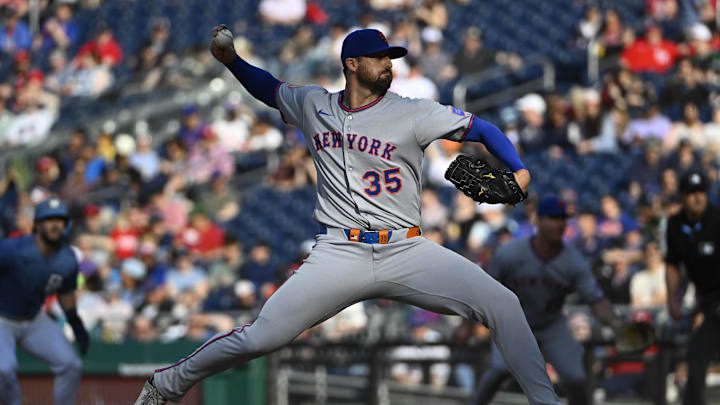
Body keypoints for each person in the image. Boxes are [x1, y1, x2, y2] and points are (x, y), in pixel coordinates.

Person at [135, 26, 561, 405]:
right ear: (351, 64)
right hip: (340, 251)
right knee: (263, 336)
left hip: (406, 248)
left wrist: (519, 171)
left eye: (390, 58)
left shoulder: (413, 111)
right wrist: (232, 62)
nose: (387, 65)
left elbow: (484, 130)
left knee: (503, 304)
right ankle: (167, 384)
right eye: (378, 58)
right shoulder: (313, 104)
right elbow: (269, 88)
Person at [469, 196, 623, 405]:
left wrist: (616, 323)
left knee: (576, 378)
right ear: (538, 220)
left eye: (562, 218)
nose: (559, 223)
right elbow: (483, 288)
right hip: (514, 324)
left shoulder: (573, 260)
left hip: (551, 324)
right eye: (552, 218)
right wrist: (467, 323)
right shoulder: (510, 253)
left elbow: (595, 300)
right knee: (499, 369)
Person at [0, 198, 89, 405]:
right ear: (37, 224)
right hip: (2, 318)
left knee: (71, 364)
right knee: (3, 370)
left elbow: (65, 292)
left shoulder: (67, 258)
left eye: (60, 219)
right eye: (49, 219)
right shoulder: (12, 249)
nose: (55, 224)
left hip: (33, 319)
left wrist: (75, 323)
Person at [665, 171, 720, 405]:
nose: (697, 198)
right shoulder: (675, 225)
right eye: (691, 193)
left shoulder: (718, 219)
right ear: (682, 196)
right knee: (696, 361)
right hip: (708, 303)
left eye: (701, 192)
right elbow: (672, 265)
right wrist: (672, 299)